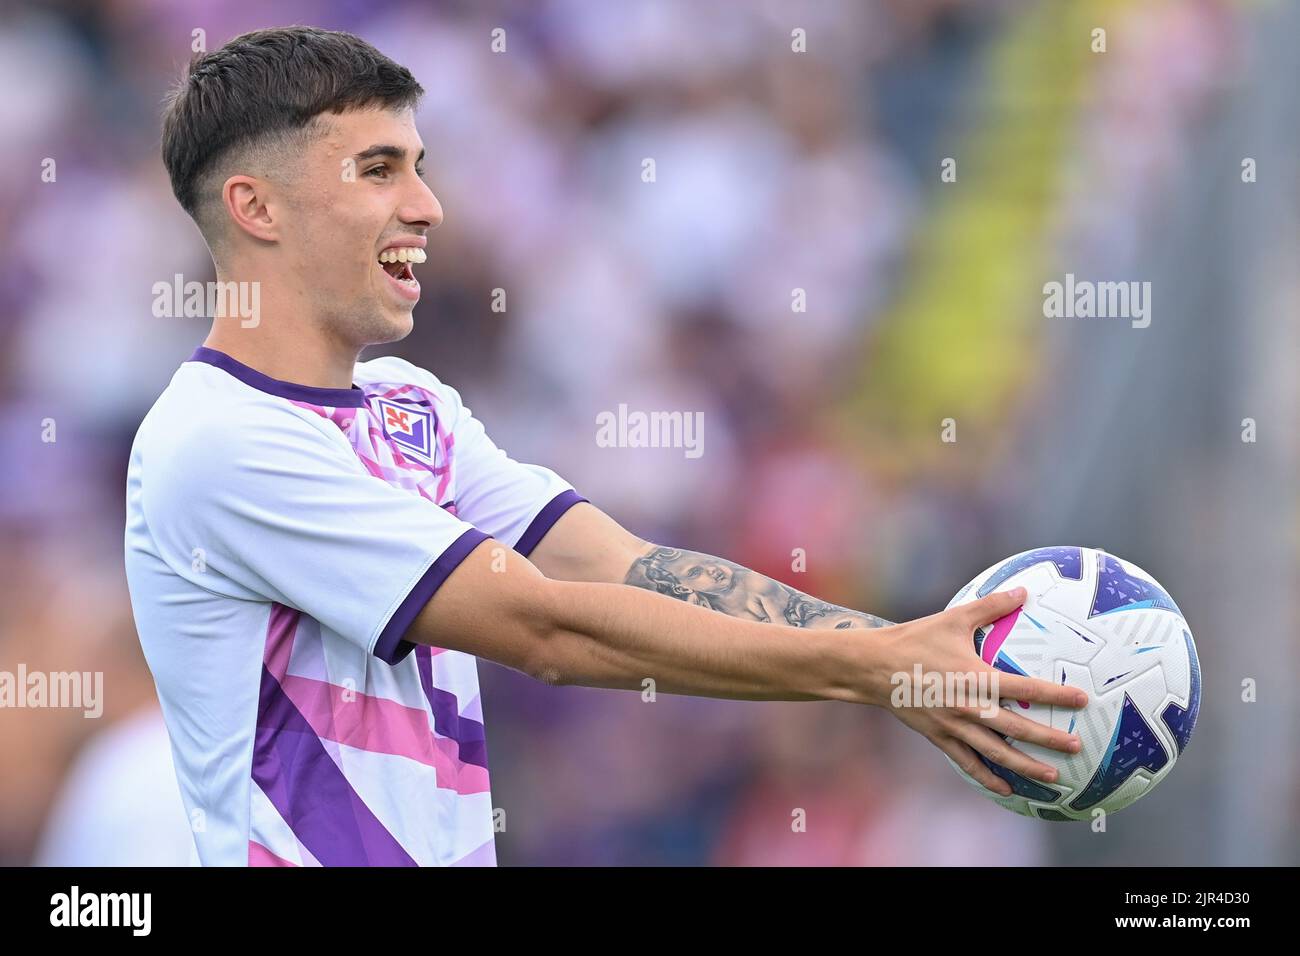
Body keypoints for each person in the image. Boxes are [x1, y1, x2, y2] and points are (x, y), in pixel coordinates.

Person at [124, 26, 1086, 867]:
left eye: (421, 165)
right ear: (256, 208)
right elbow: (549, 630)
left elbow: (621, 566)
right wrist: (877, 672)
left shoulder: (406, 405)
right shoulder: (219, 443)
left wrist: (893, 647)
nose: (428, 206)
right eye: (380, 169)